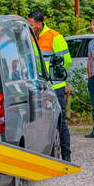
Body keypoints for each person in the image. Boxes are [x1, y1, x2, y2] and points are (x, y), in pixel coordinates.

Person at [26, 10, 73, 162]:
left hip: (55, 85)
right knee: (38, 120)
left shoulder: (55, 37)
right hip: (38, 84)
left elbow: (66, 61)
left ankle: (66, 155)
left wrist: (50, 72)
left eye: (31, 24)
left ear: (39, 24)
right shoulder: (30, 36)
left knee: (60, 120)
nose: (30, 27)